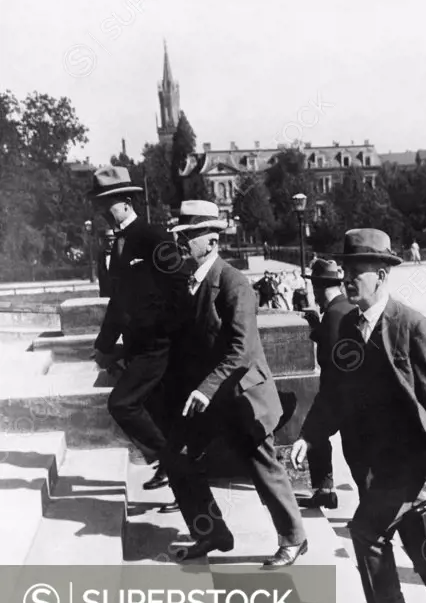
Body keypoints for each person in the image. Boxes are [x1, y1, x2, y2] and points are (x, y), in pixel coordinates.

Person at [291, 228, 426, 603]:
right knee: (414, 533)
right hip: (370, 459)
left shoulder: (413, 326)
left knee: (366, 530)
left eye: (357, 271)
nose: (348, 279)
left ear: (381, 275)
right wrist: (309, 435)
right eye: (347, 271)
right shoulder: (349, 328)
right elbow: (334, 392)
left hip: (409, 460)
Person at [165, 202, 307, 566]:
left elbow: (241, 350)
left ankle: (294, 538)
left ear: (211, 242)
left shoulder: (233, 283)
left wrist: (204, 389)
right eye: (180, 236)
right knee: (179, 459)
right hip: (213, 397)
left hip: (243, 395)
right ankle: (211, 532)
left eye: (188, 237)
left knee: (263, 466)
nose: (181, 243)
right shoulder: (192, 282)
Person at [90, 166, 190, 492]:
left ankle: (169, 461)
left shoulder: (154, 238)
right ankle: (175, 475)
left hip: (159, 345)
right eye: (100, 204)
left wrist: (161, 332)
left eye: (110, 203)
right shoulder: (119, 245)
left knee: (122, 404)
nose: (104, 211)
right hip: (137, 345)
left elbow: (180, 290)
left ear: (127, 201)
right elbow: (118, 303)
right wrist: (104, 345)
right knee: (158, 413)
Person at [297, 258, 356, 510]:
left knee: (312, 434)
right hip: (355, 394)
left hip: (339, 395)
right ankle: (325, 491)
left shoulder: (332, 315)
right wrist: (316, 327)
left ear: (319, 288)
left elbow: (331, 363)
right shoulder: (346, 308)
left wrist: (325, 405)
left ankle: (325, 489)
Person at [96, 227, 116, 298]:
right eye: (108, 241)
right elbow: (100, 274)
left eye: (113, 240)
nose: (111, 243)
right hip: (105, 292)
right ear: (104, 242)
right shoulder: (101, 256)